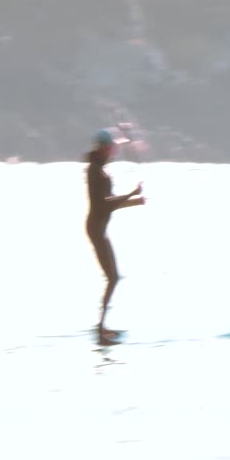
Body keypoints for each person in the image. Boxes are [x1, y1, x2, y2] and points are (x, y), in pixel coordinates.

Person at [85, 128, 144, 344]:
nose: (113, 150)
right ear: (103, 148)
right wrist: (131, 194)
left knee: (113, 277)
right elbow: (105, 204)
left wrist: (134, 201)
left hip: (99, 228)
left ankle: (102, 327)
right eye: (110, 146)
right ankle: (101, 330)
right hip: (96, 229)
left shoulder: (100, 169)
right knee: (112, 277)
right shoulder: (96, 171)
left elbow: (108, 204)